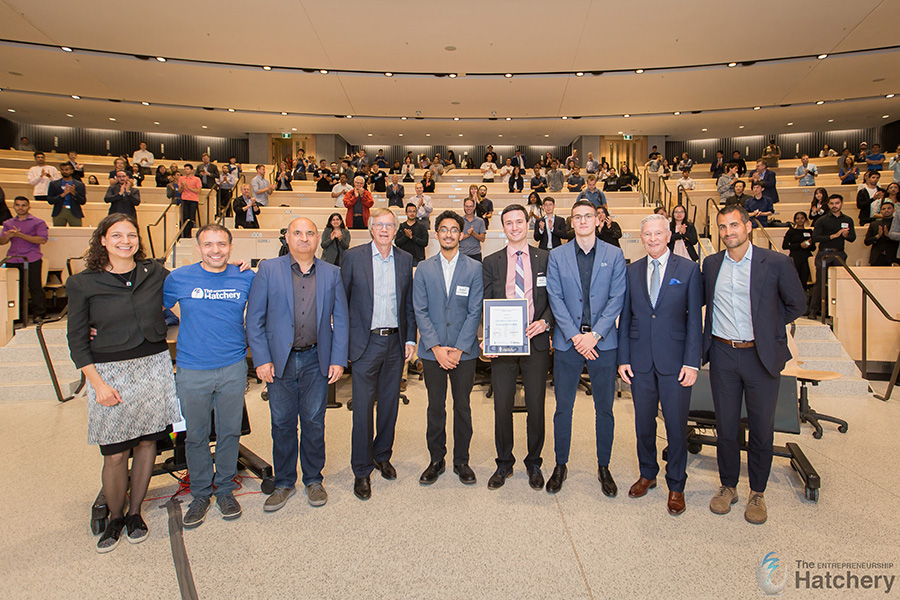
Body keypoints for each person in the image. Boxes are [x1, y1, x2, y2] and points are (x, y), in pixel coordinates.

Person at [66, 214, 182, 551]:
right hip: (109, 372)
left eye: (131, 235)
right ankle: (115, 518)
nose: (125, 241)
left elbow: (188, 283)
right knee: (115, 453)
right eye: (116, 235)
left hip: (154, 365)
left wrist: (231, 267)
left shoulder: (154, 272)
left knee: (147, 443)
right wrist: (96, 384)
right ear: (102, 240)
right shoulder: (83, 283)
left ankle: (135, 513)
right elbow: (76, 339)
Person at [703, 204, 806, 524]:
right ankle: (728, 486)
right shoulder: (710, 264)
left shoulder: (776, 262)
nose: (728, 232)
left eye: (734, 225)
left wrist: (767, 329)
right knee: (727, 426)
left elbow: (796, 304)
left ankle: (757, 491)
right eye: (722, 227)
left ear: (748, 227)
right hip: (722, 354)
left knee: (761, 427)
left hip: (759, 355)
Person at [246, 217, 349, 511]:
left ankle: (314, 479)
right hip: (280, 362)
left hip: (317, 358)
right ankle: (284, 482)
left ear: (318, 238)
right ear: (288, 238)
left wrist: (338, 359)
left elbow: (341, 320)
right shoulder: (268, 269)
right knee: (282, 423)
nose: (304, 238)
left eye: (310, 233)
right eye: (297, 233)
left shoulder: (332, 273)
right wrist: (262, 360)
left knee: (315, 422)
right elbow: (254, 320)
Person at [163, 224, 254, 528]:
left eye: (221, 244)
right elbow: (147, 309)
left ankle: (225, 489)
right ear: (198, 247)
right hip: (191, 369)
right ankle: (201, 492)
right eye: (208, 244)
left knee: (230, 432)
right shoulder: (178, 278)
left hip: (232, 366)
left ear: (231, 246)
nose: (215, 250)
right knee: (196, 436)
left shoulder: (245, 276)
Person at [617, 213, 702, 515]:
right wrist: (623, 358)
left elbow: (695, 322)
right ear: (641, 238)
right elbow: (626, 318)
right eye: (647, 235)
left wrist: (692, 362)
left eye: (657, 233)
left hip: (675, 361)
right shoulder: (632, 271)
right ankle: (647, 473)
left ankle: (676, 484)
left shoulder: (689, 270)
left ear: (669, 235)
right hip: (640, 361)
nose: (652, 239)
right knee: (643, 423)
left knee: (677, 427)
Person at [546, 200, 626, 495]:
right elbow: (555, 298)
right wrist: (575, 336)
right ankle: (560, 465)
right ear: (572, 222)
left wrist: (595, 335)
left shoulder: (615, 255)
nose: (582, 221)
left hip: (603, 344)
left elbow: (617, 298)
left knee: (604, 409)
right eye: (577, 217)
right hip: (569, 344)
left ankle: (604, 467)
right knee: (562, 408)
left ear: (597, 219)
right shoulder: (557, 256)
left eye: (588, 216)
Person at [340, 208, 416, 500]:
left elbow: (408, 304)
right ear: (371, 228)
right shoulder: (353, 257)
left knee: (389, 405)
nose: (384, 230)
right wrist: (344, 346)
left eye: (389, 225)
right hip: (365, 343)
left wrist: (411, 339)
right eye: (379, 225)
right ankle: (361, 469)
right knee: (361, 409)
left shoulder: (405, 259)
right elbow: (341, 303)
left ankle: (382, 455)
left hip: (395, 344)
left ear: (396, 230)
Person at [482, 204, 553, 491]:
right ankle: (504, 462)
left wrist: (545, 323)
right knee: (502, 406)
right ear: (503, 227)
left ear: (528, 224)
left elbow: (555, 299)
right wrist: (486, 337)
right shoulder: (491, 261)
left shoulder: (546, 258)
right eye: (509, 223)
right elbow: (485, 302)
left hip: (535, 342)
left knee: (536, 405)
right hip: (503, 344)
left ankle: (534, 461)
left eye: (519, 221)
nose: (514, 227)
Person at [413, 210, 483, 486]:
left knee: (463, 407)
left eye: (454, 229)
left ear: (461, 233)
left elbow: (475, 311)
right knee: (435, 407)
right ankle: (436, 459)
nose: (449, 234)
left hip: (463, 353)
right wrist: (437, 348)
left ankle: (461, 461)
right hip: (433, 352)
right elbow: (420, 310)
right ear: (436, 233)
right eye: (444, 229)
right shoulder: (424, 268)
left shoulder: (475, 268)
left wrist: (458, 348)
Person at [808, 194, 856, 319]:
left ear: (841, 204)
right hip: (824, 253)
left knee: (838, 282)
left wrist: (845, 236)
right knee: (820, 282)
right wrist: (832, 236)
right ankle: (813, 311)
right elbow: (815, 238)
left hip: (839, 253)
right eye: (832, 203)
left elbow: (853, 238)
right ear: (828, 205)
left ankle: (837, 312)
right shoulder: (822, 220)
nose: (834, 206)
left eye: (837, 203)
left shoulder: (848, 220)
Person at [0, 196, 48, 322]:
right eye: (17, 205)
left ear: (28, 207)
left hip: (32, 258)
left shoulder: (38, 222)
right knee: (15, 288)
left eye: (23, 205)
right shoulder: (8, 223)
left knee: (35, 287)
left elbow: (42, 239)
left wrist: (20, 235)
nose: (20, 208)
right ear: (14, 206)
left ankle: (39, 313)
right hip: (13, 259)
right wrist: (8, 236)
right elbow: (2, 241)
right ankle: (17, 314)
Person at [781, 212, 815, 288]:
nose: (800, 220)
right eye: (797, 218)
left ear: (805, 220)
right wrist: (800, 245)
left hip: (806, 257)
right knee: (795, 279)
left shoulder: (809, 232)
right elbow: (785, 246)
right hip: (795, 257)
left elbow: (813, 248)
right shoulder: (791, 231)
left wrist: (809, 244)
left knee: (804, 278)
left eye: (802, 218)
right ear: (795, 220)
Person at [47, 162, 87, 226]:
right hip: (59, 211)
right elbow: (50, 200)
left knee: (76, 232)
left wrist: (74, 193)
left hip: (75, 212)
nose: (64, 171)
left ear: (72, 171)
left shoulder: (79, 185)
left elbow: (83, 201)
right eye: (62, 170)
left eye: (66, 170)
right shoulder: (54, 184)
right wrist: (63, 194)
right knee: (58, 233)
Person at [178, 164, 202, 239]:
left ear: (192, 170)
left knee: (192, 217)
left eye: (188, 169)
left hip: (193, 199)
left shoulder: (196, 179)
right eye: (185, 169)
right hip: (184, 199)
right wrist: (182, 186)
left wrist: (188, 187)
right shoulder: (182, 178)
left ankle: (191, 234)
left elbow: (198, 190)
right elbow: (180, 191)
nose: (186, 170)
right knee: (185, 217)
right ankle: (185, 234)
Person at [459, 198, 486, 262]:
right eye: (467, 206)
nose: (469, 208)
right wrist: (467, 235)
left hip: (476, 254)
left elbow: (482, 239)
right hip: (462, 254)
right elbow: (456, 238)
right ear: (464, 207)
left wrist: (473, 233)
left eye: (471, 206)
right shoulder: (459, 221)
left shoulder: (480, 221)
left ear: (474, 207)